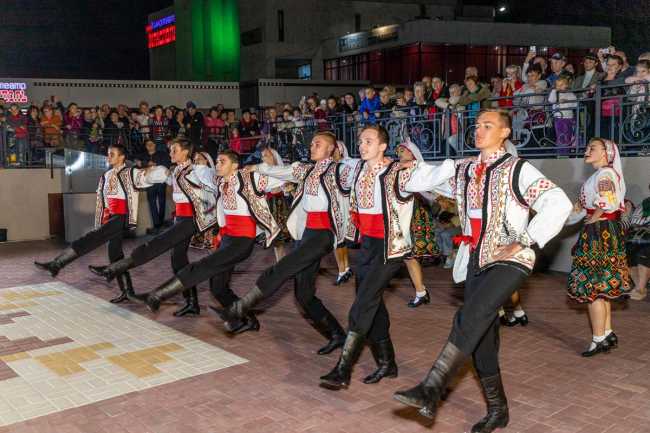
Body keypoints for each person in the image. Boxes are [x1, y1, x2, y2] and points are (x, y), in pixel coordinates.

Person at [393, 108, 572, 430]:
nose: (478, 129)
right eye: (476, 125)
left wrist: (526, 240)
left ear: (504, 132)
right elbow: (428, 179)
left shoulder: (516, 169)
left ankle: (431, 388)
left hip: (510, 259)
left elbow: (558, 202)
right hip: (476, 258)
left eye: (488, 125)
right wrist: (406, 168)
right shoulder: (465, 169)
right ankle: (498, 410)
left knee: (470, 315)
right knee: (482, 337)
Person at [209, 131, 356, 357]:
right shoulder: (306, 170)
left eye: (318, 144)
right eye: (312, 143)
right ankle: (337, 336)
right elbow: (281, 170)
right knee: (303, 294)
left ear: (330, 149)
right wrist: (257, 168)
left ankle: (237, 311)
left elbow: (360, 171)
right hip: (308, 234)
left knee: (279, 269)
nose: (312, 147)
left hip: (325, 234)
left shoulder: (340, 170)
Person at [130, 148, 288, 334]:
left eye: (222, 162)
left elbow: (283, 175)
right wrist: (193, 166)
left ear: (235, 165)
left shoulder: (250, 179)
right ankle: (249, 320)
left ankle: (156, 296)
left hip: (241, 242)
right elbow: (204, 173)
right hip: (227, 239)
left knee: (200, 267)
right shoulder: (219, 181)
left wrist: (258, 167)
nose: (218, 165)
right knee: (218, 288)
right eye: (218, 161)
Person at [318, 124, 423, 387]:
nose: (362, 145)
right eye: (360, 141)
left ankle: (343, 368)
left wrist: (459, 169)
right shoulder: (358, 169)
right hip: (367, 245)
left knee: (363, 304)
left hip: (390, 248)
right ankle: (387, 363)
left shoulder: (398, 171)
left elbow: (432, 177)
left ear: (383, 146)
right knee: (372, 304)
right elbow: (331, 170)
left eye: (368, 141)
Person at [90, 137, 218, 317]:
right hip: (180, 218)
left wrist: (200, 169)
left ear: (185, 152)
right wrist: (147, 171)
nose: (171, 153)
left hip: (191, 219)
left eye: (174, 150)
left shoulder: (195, 170)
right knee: (178, 261)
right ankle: (191, 302)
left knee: (159, 244)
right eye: (170, 150)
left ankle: (114, 269)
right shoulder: (176, 171)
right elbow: (163, 177)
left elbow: (214, 181)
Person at [34, 144, 157, 302]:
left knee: (92, 238)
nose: (109, 157)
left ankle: (56, 264)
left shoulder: (130, 172)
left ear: (122, 157)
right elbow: (102, 201)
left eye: (112, 154)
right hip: (111, 216)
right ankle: (127, 291)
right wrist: (102, 220)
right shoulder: (106, 175)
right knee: (115, 253)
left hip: (123, 216)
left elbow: (147, 179)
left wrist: (152, 169)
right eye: (108, 154)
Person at [566, 138, 630, 356]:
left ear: (606, 153)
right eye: (587, 148)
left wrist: (595, 217)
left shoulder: (605, 174)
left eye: (592, 148)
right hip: (602, 231)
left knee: (593, 288)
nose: (587, 151)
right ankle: (607, 333)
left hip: (599, 233)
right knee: (601, 288)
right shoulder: (598, 175)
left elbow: (607, 199)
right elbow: (580, 209)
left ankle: (599, 339)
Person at [396, 140, 440, 308]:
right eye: (398, 151)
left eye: (402, 150)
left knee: (409, 254)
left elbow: (426, 191)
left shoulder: (419, 170)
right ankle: (421, 293)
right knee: (407, 255)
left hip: (415, 213)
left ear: (412, 153)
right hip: (401, 213)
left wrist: (435, 197)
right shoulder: (399, 169)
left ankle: (421, 292)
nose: (399, 154)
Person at [255, 148, 293, 261]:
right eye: (262, 156)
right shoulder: (261, 172)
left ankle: (281, 263)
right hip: (266, 204)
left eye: (265, 155)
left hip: (277, 205)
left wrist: (287, 188)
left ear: (273, 157)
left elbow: (288, 189)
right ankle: (281, 263)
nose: (263, 158)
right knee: (275, 240)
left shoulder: (279, 171)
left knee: (276, 238)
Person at [133, 139, 171, 230]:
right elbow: (132, 157)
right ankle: (156, 223)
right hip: (149, 181)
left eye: (151, 144)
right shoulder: (143, 154)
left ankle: (160, 221)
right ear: (145, 146)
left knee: (161, 201)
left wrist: (155, 164)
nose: (149, 146)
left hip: (160, 180)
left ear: (154, 145)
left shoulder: (161, 154)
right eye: (147, 144)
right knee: (151, 201)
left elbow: (167, 165)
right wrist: (136, 160)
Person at [332, 140, 353, 286]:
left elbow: (345, 184)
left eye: (334, 149)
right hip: (338, 204)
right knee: (340, 241)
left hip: (341, 204)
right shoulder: (332, 165)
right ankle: (345, 269)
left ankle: (342, 271)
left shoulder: (345, 165)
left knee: (338, 240)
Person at [627, 183, 650, 300]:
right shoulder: (645, 204)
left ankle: (640, 288)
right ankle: (638, 286)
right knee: (628, 252)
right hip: (640, 236)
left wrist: (645, 220)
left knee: (644, 253)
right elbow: (634, 220)